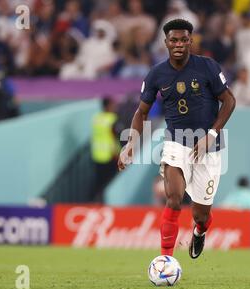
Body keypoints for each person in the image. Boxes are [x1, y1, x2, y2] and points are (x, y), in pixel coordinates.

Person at [117, 19, 236, 259]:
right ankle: (165, 260)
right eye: (174, 40)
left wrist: (210, 136)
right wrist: (131, 143)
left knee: (201, 215)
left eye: (183, 39)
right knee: (174, 199)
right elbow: (141, 112)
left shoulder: (208, 67)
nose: (179, 44)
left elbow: (229, 101)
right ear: (166, 43)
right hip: (175, 141)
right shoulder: (157, 74)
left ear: (191, 41)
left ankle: (200, 231)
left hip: (209, 147)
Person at [91, 97, 120, 202]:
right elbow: (113, 137)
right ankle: (105, 202)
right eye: (113, 105)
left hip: (97, 154)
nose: (115, 107)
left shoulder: (96, 118)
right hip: (110, 155)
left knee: (99, 182)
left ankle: (98, 201)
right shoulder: (112, 118)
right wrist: (117, 152)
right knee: (110, 182)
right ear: (107, 106)